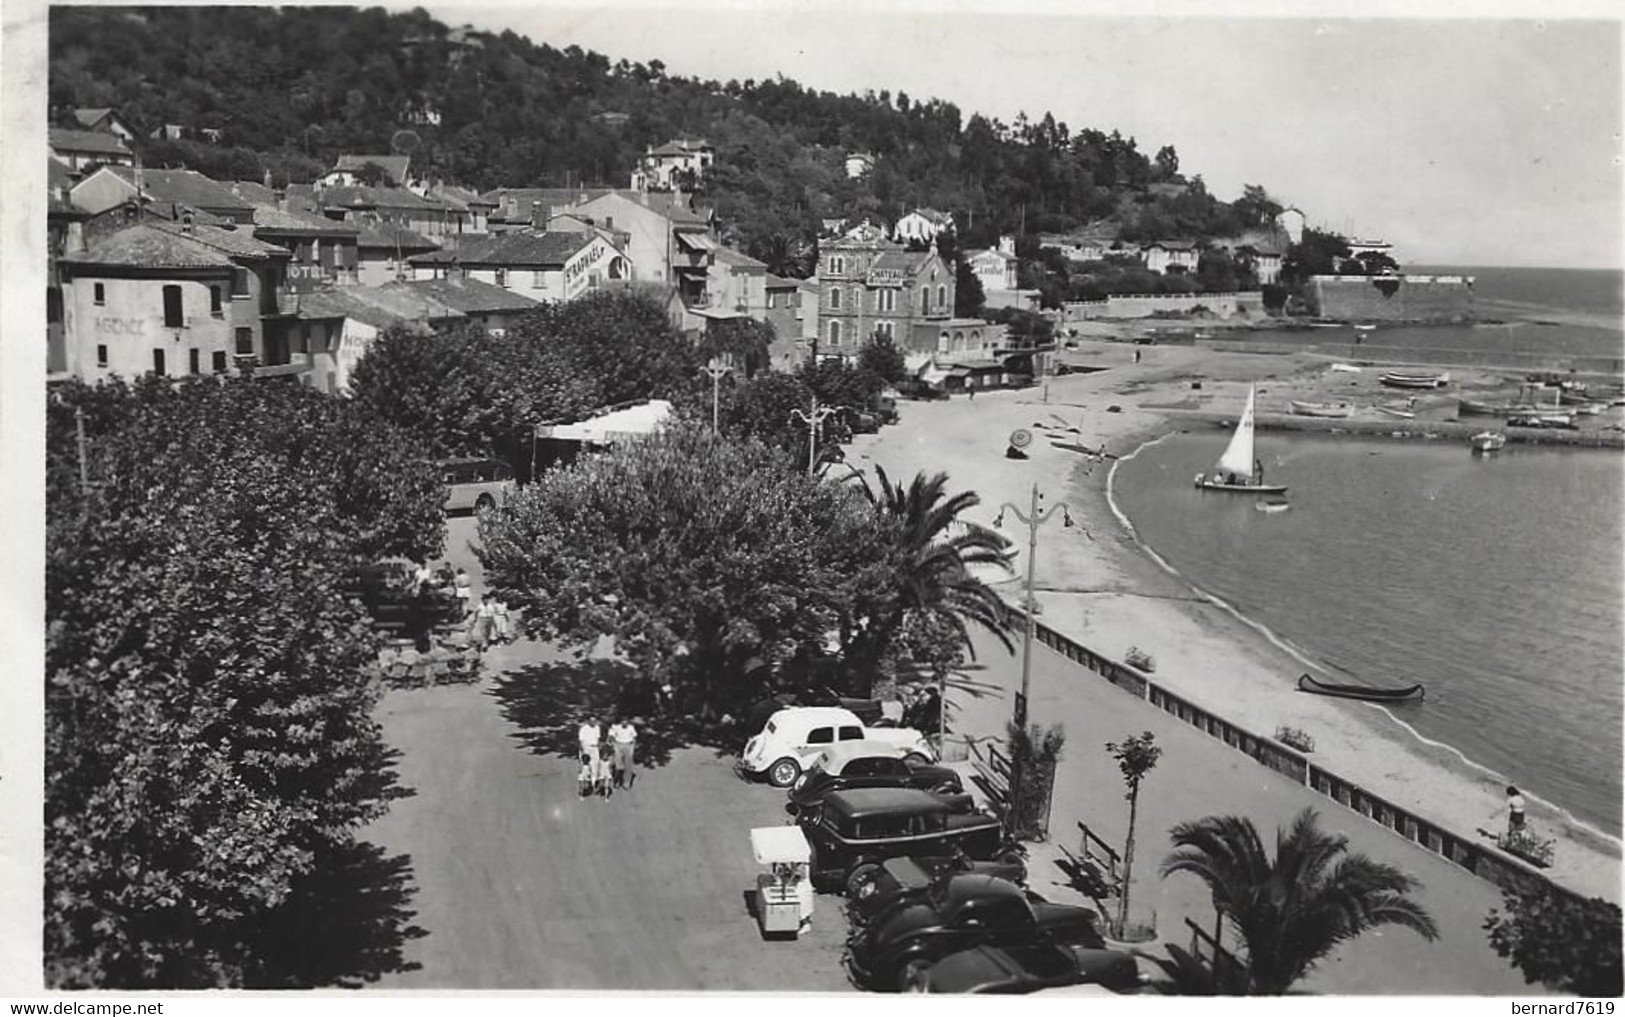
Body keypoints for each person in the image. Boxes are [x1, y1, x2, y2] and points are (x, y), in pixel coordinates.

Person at [608, 716, 638, 789]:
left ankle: (626, 782)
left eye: (626, 721)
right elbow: (611, 735)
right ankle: (617, 781)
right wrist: (612, 742)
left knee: (628, 766)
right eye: (623, 721)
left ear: (628, 722)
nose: (624, 723)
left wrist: (633, 745)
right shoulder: (616, 727)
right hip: (618, 745)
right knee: (618, 766)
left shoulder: (631, 728)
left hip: (628, 745)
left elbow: (634, 737)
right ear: (621, 722)